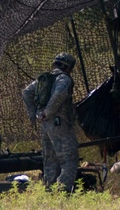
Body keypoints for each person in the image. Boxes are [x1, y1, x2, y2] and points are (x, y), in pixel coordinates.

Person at [22, 52, 79, 192]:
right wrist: (48, 112)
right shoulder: (64, 79)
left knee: (50, 160)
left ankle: (49, 190)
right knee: (69, 159)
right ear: (68, 67)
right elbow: (59, 95)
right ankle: (62, 191)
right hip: (59, 124)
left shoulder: (44, 79)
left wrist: (35, 114)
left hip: (45, 125)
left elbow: (26, 92)